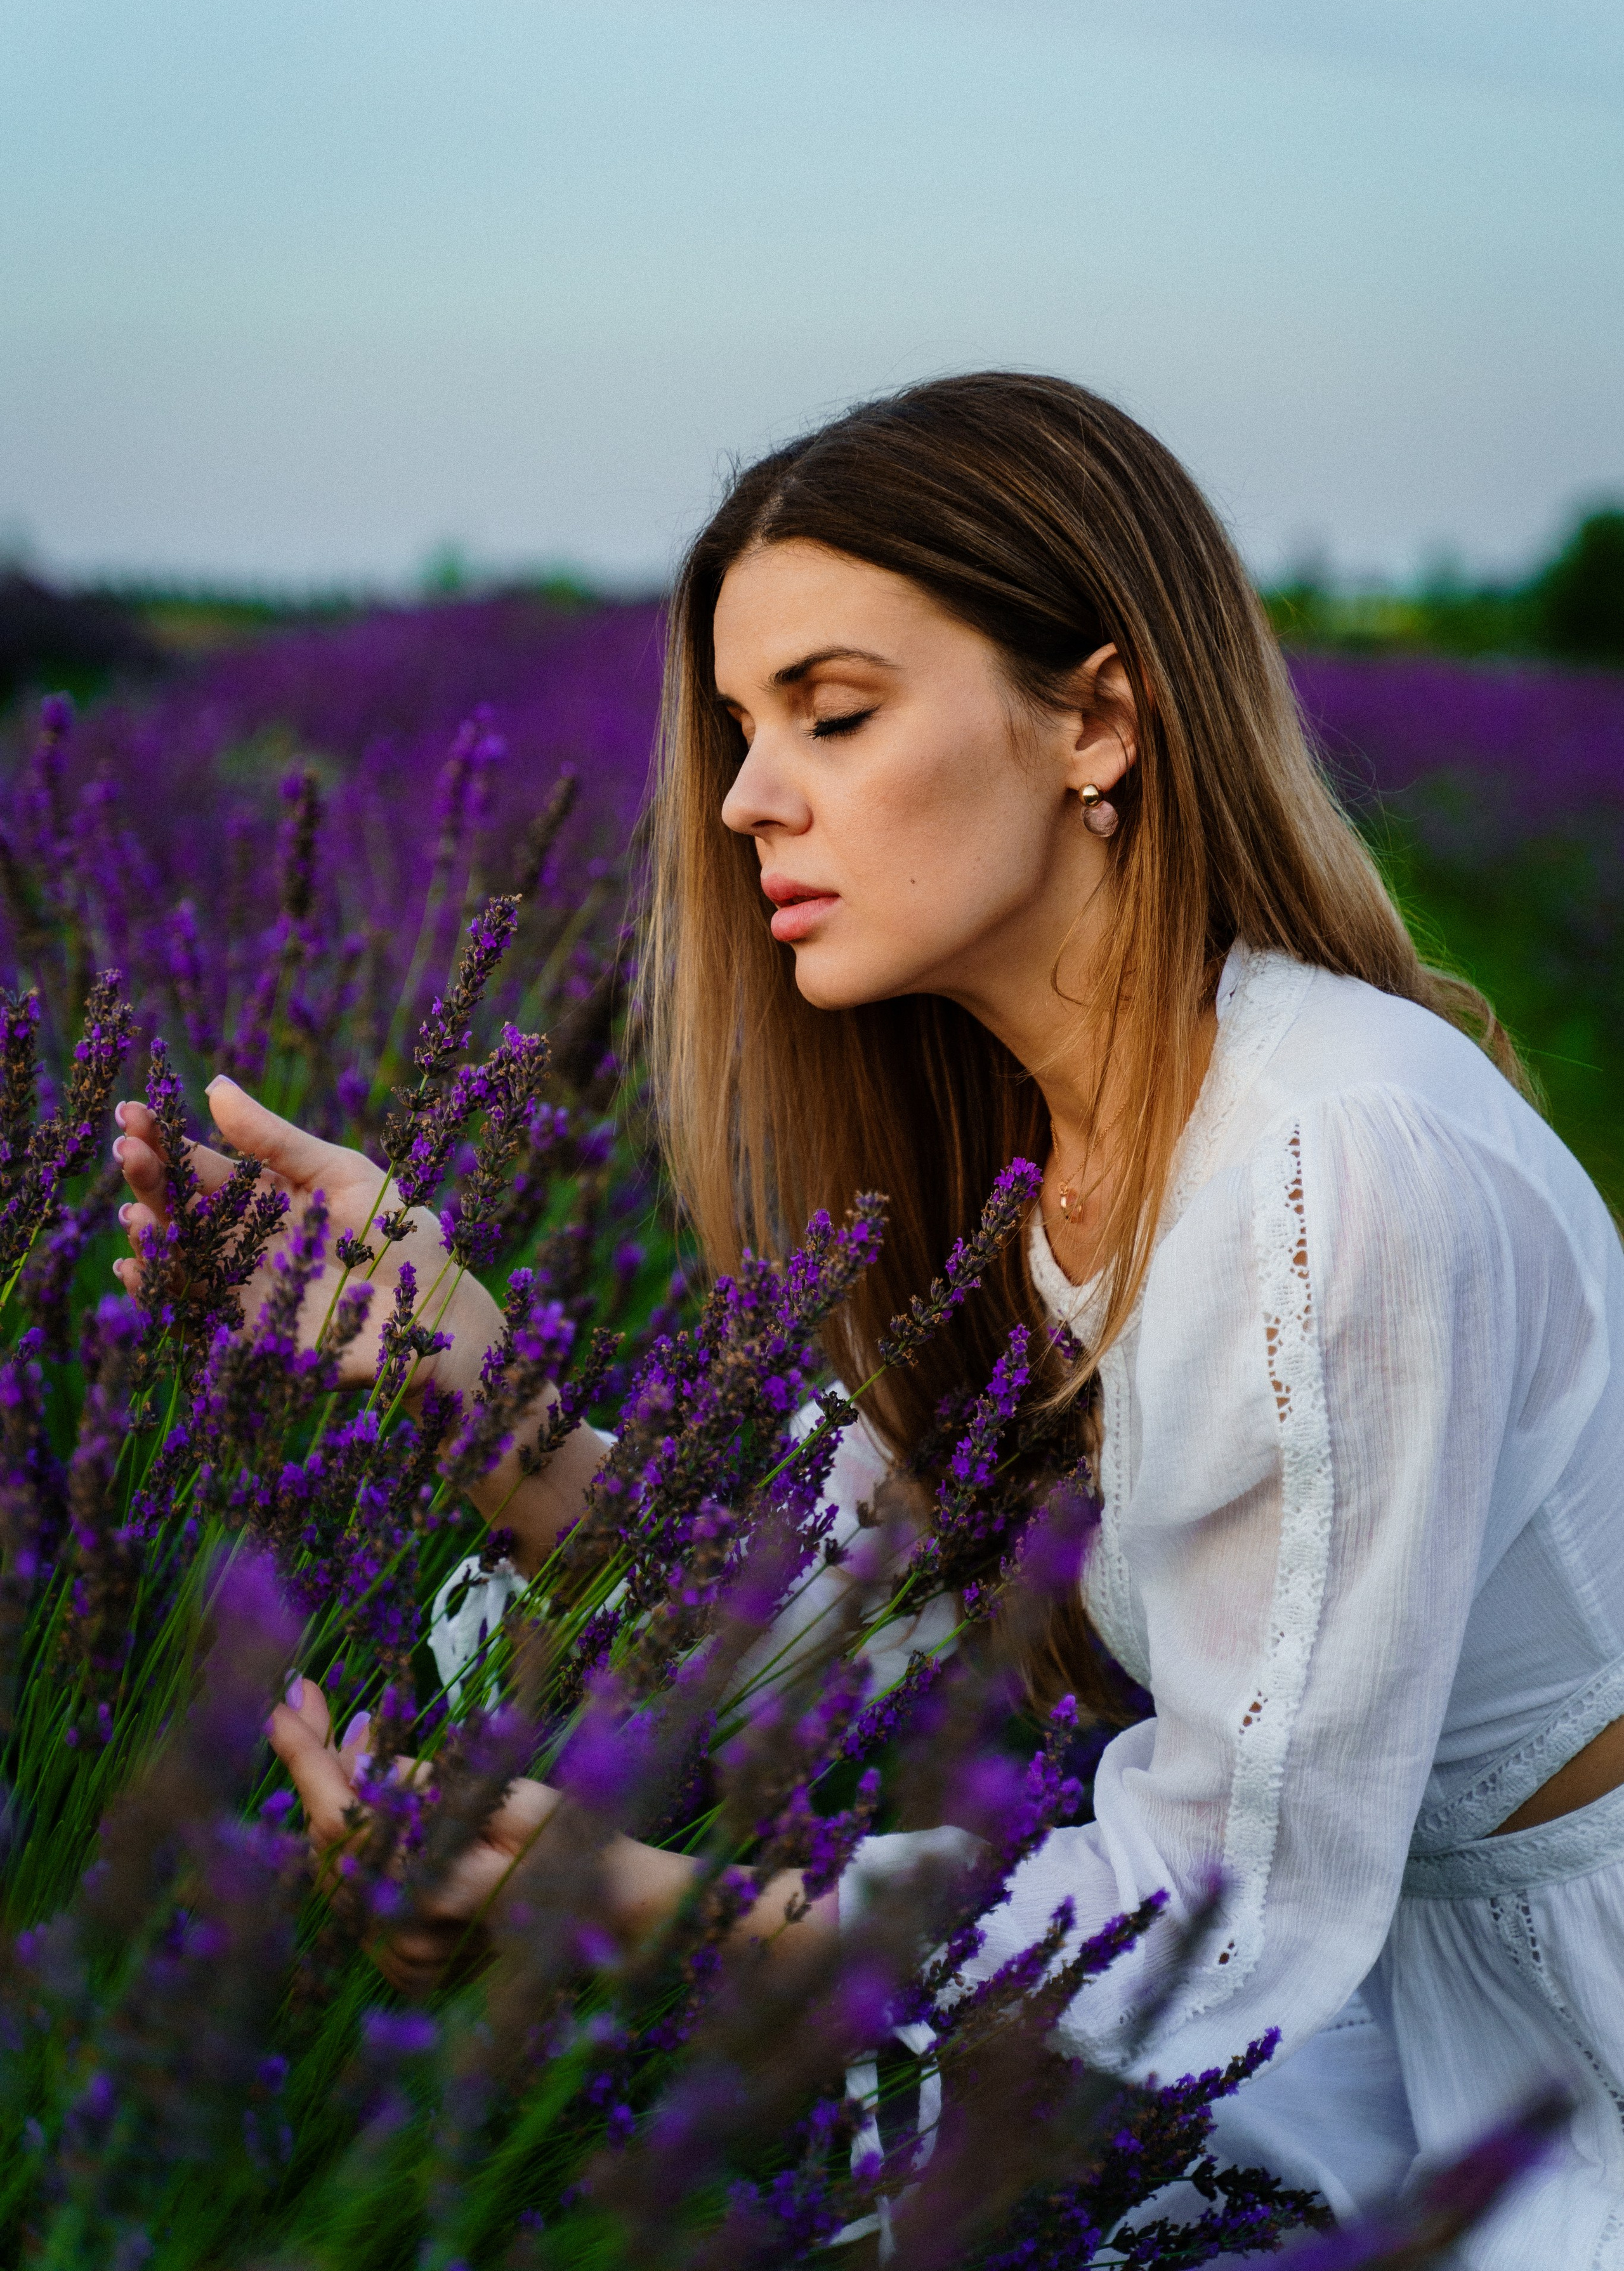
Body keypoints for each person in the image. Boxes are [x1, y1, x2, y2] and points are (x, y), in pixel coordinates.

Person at [113, 375, 1624, 2267]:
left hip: (1555, 2036)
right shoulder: (1032, 1154)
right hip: (1346, 1999)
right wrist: (461, 1372)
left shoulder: (1327, 1173)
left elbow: (1221, 1908)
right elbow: (804, 1605)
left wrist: (631, 1902)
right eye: (742, 729)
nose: (747, 795)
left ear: (1098, 721)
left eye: (831, 712)